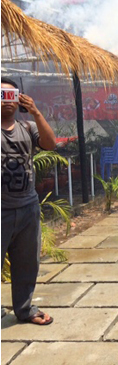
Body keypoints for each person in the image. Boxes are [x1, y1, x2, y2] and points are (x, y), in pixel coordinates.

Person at [1, 77, 57, 325]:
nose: (7, 101)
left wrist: (35, 112)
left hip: (27, 207)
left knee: (27, 263)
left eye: (12, 96)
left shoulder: (27, 126)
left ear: (19, 99)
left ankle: (24, 310)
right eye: (1, 95)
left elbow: (50, 144)